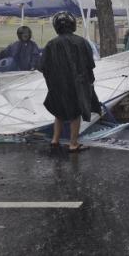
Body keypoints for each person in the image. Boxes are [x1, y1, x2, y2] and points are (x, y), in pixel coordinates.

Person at [38, 12, 101, 152]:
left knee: (59, 113)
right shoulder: (82, 42)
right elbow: (89, 65)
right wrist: (89, 82)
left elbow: (43, 67)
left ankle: (55, 140)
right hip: (77, 85)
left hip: (57, 86)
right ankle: (73, 144)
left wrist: (53, 81)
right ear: (72, 24)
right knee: (75, 114)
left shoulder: (50, 44)